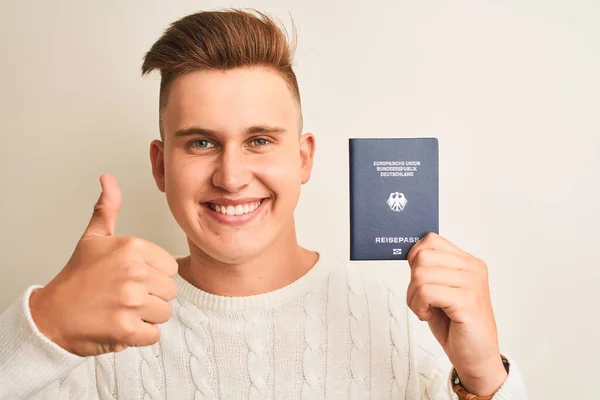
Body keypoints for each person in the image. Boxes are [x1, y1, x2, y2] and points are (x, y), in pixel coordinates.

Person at [0, 9, 527, 399]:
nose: (231, 177)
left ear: (303, 159)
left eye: (259, 141)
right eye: (201, 142)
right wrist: (42, 327)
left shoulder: (408, 320)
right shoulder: (95, 328)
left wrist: (486, 376)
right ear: (160, 166)